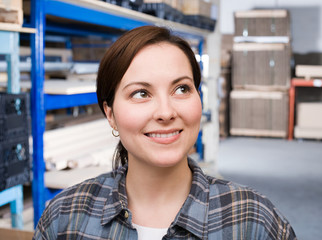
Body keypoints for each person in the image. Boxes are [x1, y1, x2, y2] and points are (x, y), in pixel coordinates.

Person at [33, 26, 296, 240]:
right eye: (141, 93)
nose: (166, 112)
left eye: (181, 89)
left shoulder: (252, 220)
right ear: (110, 114)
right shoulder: (65, 218)